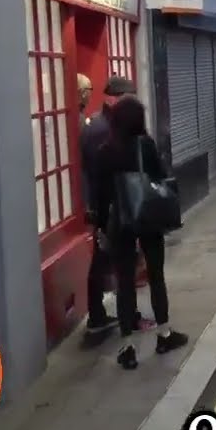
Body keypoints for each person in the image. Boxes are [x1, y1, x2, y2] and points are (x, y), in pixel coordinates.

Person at [92, 92, 189, 369]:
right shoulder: (145, 145)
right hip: (147, 218)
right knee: (156, 276)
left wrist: (100, 228)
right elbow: (159, 178)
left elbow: (100, 196)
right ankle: (164, 335)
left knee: (124, 284)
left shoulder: (105, 151)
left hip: (119, 222)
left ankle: (127, 347)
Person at [80, 75, 132, 341]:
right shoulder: (103, 128)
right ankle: (102, 316)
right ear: (114, 98)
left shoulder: (100, 124)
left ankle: (100, 314)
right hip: (110, 204)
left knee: (106, 259)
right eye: (126, 97)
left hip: (106, 203)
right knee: (107, 260)